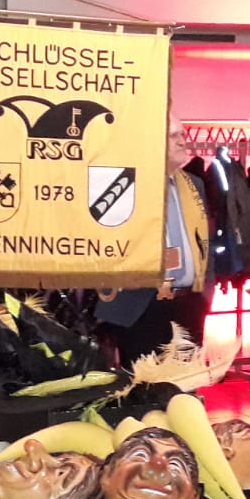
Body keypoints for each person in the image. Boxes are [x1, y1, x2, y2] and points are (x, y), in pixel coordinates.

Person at [96, 116, 212, 364]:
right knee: (145, 385)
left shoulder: (194, 185)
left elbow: (204, 242)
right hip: (139, 306)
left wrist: (204, 297)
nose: (183, 142)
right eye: (174, 136)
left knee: (187, 382)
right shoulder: (122, 183)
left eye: (183, 135)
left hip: (187, 303)